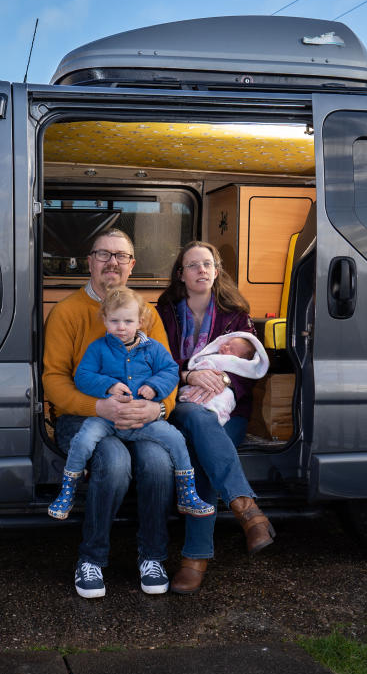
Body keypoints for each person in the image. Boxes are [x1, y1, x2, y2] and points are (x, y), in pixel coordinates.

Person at [43, 229, 178, 599]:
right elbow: (53, 379)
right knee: (114, 461)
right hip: (84, 417)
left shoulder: (146, 314)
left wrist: (158, 407)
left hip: (140, 415)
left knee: (157, 462)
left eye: (121, 256)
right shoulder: (67, 312)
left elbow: (169, 372)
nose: (112, 262)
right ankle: (92, 560)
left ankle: (152, 556)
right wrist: (97, 406)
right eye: (104, 254)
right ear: (90, 262)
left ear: (131, 266)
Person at [156, 241, 275, 595]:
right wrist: (188, 376)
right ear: (181, 274)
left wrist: (222, 378)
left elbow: (249, 365)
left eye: (207, 264)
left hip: (229, 411)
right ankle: (247, 510)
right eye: (193, 265)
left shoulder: (236, 314)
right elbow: (155, 361)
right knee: (194, 417)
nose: (201, 270)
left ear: (217, 270)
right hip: (180, 402)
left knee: (200, 456)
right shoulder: (163, 312)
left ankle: (196, 557)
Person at [48, 287, 216, 521]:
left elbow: (170, 371)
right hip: (106, 419)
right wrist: (108, 386)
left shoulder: (153, 349)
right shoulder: (97, 348)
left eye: (128, 321)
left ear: (140, 322)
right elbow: (83, 376)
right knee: (83, 439)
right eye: (114, 321)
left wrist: (155, 386)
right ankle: (68, 491)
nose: (121, 327)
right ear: (105, 320)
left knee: (176, 439)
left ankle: (187, 494)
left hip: (142, 421)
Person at [180, 331, 269, 425]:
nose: (225, 347)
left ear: (240, 359)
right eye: (227, 344)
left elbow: (249, 373)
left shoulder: (240, 364)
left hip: (226, 395)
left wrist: (223, 379)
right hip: (192, 389)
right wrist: (189, 374)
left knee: (225, 397)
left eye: (231, 349)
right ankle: (190, 399)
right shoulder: (213, 355)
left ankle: (218, 412)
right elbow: (203, 362)